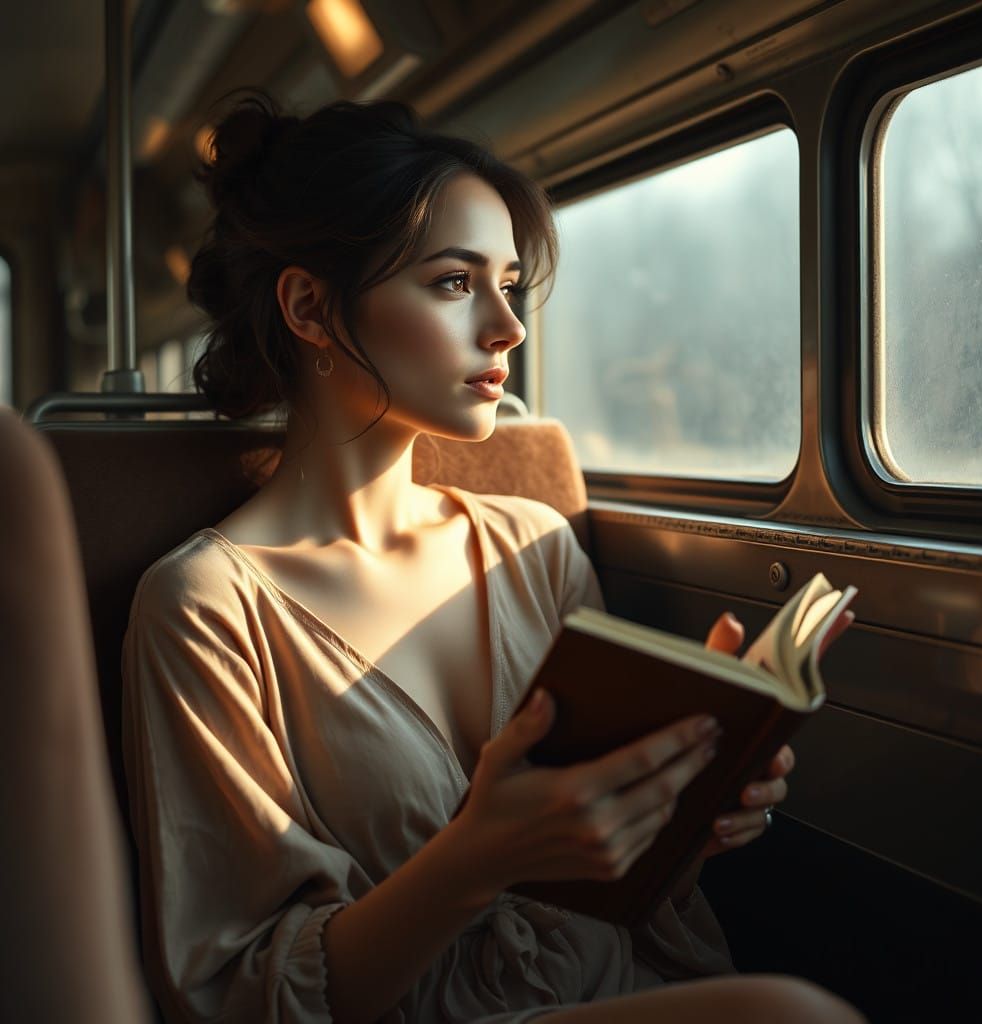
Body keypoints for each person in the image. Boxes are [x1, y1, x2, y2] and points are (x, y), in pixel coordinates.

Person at [122, 95, 864, 1024]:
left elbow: (613, 890)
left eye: (510, 284)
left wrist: (681, 815)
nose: (507, 327)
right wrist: (480, 853)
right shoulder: (205, 608)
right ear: (311, 307)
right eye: (452, 283)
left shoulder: (534, 545)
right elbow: (242, 998)